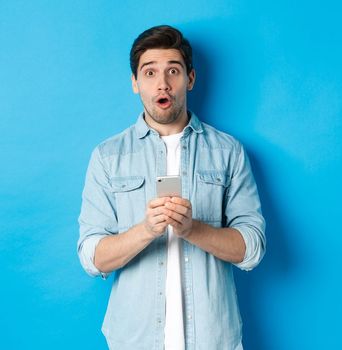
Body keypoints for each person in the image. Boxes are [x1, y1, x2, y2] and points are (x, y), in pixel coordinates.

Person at [77, 25, 266, 350]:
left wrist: (191, 229)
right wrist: (147, 229)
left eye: (173, 71)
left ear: (190, 79)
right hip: (133, 341)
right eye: (149, 72)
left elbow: (252, 248)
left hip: (213, 340)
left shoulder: (228, 151)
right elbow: (92, 258)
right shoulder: (108, 156)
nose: (162, 83)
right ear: (135, 83)